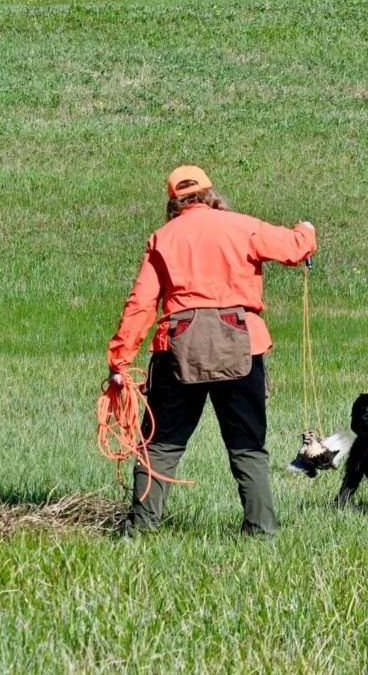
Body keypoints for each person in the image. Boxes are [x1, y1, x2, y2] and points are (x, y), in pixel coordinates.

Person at [107, 165, 316, 535]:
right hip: (241, 348)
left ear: (174, 202)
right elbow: (296, 248)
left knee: (159, 447)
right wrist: (307, 231)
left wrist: (119, 362)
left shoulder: (163, 237)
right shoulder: (241, 226)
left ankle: (138, 531)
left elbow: (140, 304)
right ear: (210, 195)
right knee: (248, 447)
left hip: (176, 352)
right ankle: (261, 530)